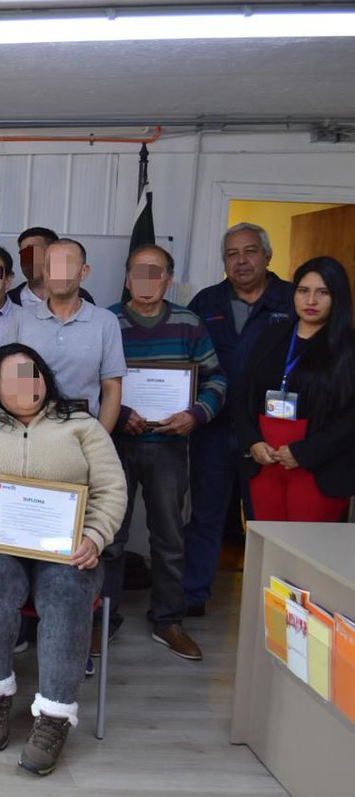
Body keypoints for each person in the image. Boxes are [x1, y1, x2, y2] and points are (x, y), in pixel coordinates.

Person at [0, 343, 126, 776]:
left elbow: (112, 488)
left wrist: (95, 537)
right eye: (16, 377)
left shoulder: (80, 423)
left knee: (66, 590)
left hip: (67, 547)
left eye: (34, 374)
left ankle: (54, 718)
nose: (29, 384)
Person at [101, 244, 227, 662]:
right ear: (126, 278)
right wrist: (120, 416)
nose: (147, 280)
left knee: (170, 538)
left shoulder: (189, 323)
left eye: (156, 272)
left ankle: (168, 620)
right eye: (138, 271)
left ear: (168, 279)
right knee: (109, 539)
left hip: (171, 448)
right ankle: (102, 618)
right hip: (116, 445)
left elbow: (216, 380)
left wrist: (196, 414)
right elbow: (91, 382)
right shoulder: (107, 322)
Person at [182, 222, 294, 615]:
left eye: (250, 251)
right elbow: (186, 360)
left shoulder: (292, 300)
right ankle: (193, 596)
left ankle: (277, 604)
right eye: (232, 254)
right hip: (214, 428)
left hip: (269, 431)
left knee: (269, 522)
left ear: (267, 255)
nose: (241, 260)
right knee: (206, 516)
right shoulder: (206, 302)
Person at [234, 257, 355, 522]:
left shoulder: (348, 347)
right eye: (303, 291)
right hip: (265, 460)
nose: (311, 301)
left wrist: (304, 453)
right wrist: (252, 441)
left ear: (338, 297)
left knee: (305, 553)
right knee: (268, 549)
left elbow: (350, 419)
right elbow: (241, 394)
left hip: (316, 466)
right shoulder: (272, 335)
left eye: (322, 292)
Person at [11, 238, 126, 432]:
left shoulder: (105, 321)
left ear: (84, 271)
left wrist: (99, 441)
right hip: (31, 433)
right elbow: (10, 382)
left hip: (84, 433)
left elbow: (112, 388)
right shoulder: (21, 318)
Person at [8, 227, 95, 307]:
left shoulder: (82, 297)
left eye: (33, 252)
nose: (27, 261)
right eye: (23, 254)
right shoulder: (9, 300)